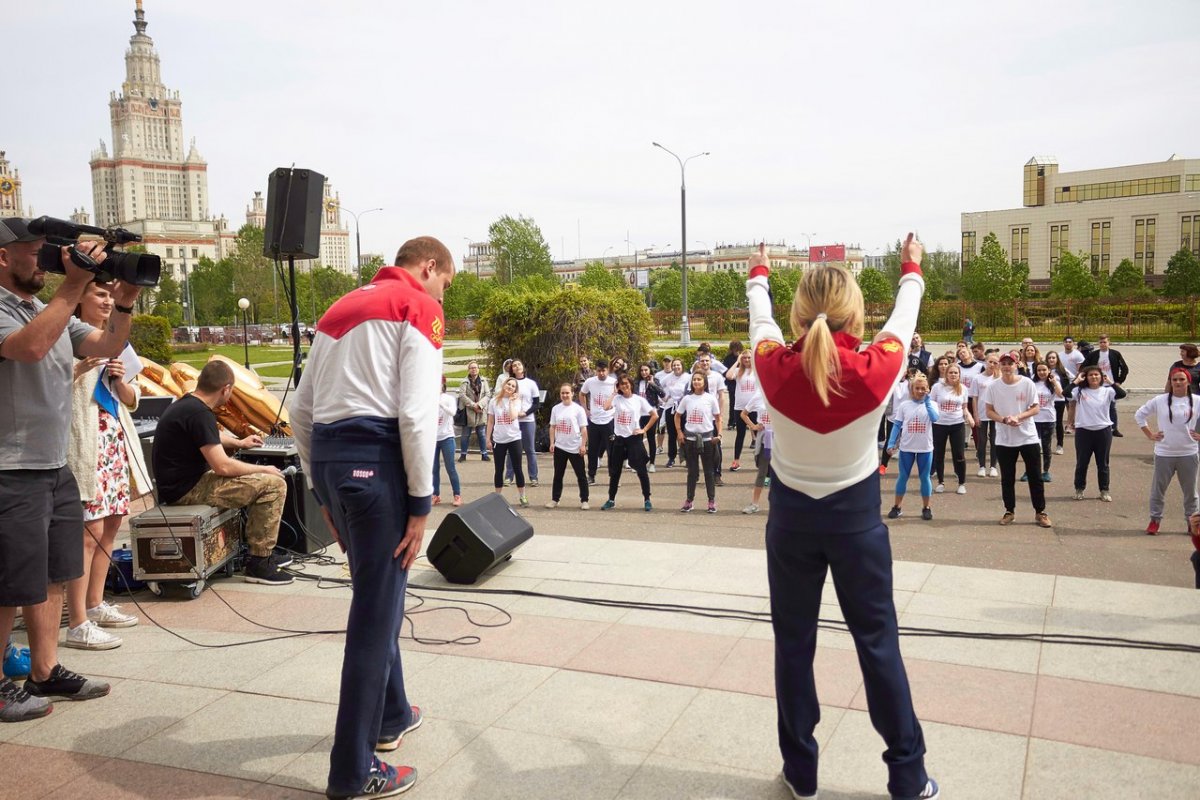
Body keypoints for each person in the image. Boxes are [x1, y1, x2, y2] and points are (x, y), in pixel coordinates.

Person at [746, 235, 939, 800]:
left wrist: (760, 270)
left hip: (790, 524)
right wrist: (911, 265)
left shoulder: (772, 366)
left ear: (798, 315)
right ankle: (907, 775)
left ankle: (800, 772)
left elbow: (760, 315)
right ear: (856, 311)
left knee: (793, 644)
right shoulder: (879, 366)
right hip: (857, 525)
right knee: (878, 644)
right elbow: (907, 313)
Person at [291, 235, 455, 798]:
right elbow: (416, 414)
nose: (444, 296)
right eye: (446, 283)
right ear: (429, 267)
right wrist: (419, 502)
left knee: (377, 599)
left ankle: (390, 717)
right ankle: (352, 771)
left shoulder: (339, 307)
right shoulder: (419, 307)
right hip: (378, 465)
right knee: (374, 618)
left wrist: (320, 489)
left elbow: (300, 410)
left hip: (335, 465)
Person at [0, 218, 138, 721]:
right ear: (3, 258)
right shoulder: (10, 311)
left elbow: (107, 346)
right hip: (11, 468)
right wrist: (73, 285)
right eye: (33, 252)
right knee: (9, 584)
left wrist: (123, 301)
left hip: (54, 463)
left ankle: (46, 670)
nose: (44, 258)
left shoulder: (42, 307)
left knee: (54, 575)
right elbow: (29, 348)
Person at [64, 281, 153, 651]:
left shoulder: (117, 343)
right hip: (84, 445)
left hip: (112, 442)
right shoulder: (65, 341)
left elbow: (132, 398)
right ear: (79, 299)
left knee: (113, 524)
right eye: (99, 295)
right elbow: (50, 389)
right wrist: (80, 369)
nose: (106, 302)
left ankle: (96, 603)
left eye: (108, 296)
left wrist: (120, 379)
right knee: (88, 531)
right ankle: (77, 618)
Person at [153, 360, 291, 585]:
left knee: (261, 479)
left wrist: (240, 442)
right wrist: (264, 468)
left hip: (180, 485)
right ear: (226, 389)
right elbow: (223, 467)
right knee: (273, 484)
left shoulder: (187, 405)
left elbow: (208, 437)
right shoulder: (200, 414)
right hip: (187, 491)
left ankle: (260, 551)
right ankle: (259, 562)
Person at [983, 351, 1052, 528]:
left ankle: (1040, 512)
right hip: (1005, 439)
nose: (1007, 367)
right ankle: (1009, 511)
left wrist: (1018, 417)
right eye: (1003, 363)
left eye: (1010, 363)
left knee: (1035, 476)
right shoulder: (993, 387)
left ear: (1016, 365)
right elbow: (989, 411)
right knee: (1007, 478)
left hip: (1028, 437)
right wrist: (1005, 419)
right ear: (999, 365)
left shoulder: (1027, 383)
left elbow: (1035, 408)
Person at [1134, 369, 1200, 535]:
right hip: (1165, 452)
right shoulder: (1160, 400)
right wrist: (1150, 434)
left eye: (1181, 379)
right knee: (1158, 489)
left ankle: (1192, 523)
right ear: (1170, 382)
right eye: (1174, 380)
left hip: (1188, 452)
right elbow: (1140, 415)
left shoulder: (1197, 401)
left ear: (1188, 381)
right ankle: (1155, 520)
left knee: (1190, 492)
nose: (1177, 383)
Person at [599, 374, 657, 512]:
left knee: (641, 471)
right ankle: (611, 499)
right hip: (619, 439)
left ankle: (647, 499)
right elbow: (605, 407)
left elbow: (654, 415)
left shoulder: (639, 400)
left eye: (626, 383)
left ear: (631, 384)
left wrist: (644, 429)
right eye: (621, 384)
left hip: (634, 439)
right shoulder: (617, 399)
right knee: (615, 472)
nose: (624, 386)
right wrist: (614, 392)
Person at [886, 373, 939, 520]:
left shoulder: (933, 404)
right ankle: (897, 507)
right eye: (917, 388)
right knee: (903, 476)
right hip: (907, 447)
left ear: (928, 389)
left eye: (923, 388)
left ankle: (926, 507)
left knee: (925, 477)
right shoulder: (904, 406)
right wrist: (891, 443)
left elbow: (935, 418)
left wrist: (927, 402)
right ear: (912, 389)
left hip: (925, 448)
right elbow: (897, 425)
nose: (920, 391)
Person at [1071, 364, 1127, 502]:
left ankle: (1104, 490)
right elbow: (1066, 393)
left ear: (1101, 377)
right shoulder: (1079, 391)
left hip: (1103, 431)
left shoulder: (1107, 391)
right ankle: (1079, 489)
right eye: (1090, 375)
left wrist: (1111, 382)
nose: (1094, 377)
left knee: (1102, 463)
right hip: (1084, 431)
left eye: (1096, 374)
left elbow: (1122, 394)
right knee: (1082, 462)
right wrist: (1076, 380)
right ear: (1086, 377)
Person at [675, 371, 721, 513]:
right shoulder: (687, 399)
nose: (696, 382)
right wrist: (679, 432)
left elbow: (718, 418)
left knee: (709, 472)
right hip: (690, 439)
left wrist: (719, 435)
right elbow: (677, 416)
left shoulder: (711, 398)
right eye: (694, 379)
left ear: (704, 382)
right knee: (692, 472)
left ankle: (711, 501)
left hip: (707, 440)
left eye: (699, 379)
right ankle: (689, 501)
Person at [930, 363, 973, 495]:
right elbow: (931, 404)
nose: (953, 375)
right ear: (946, 374)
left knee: (959, 454)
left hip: (957, 424)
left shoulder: (963, 389)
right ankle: (941, 482)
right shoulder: (937, 387)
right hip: (939, 424)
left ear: (959, 375)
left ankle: (961, 483)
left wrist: (969, 417)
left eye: (956, 373)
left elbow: (964, 407)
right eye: (951, 373)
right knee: (938, 453)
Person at [545, 384, 589, 509]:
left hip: (575, 447)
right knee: (558, 474)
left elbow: (583, 429)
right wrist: (552, 442)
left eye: (567, 393)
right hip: (560, 446)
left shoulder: (578, 409)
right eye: (562, 393)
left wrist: (583, 445)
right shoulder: (556, 409)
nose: (564, 395)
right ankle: (555, 499)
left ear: (572, 394)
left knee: (581, 475)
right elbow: (552, 427)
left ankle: (584, 500)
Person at [488, 377, 528, 507]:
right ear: (504, 384)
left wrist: (511, 401)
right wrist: (488, 438)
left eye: (513, 386)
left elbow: (513, 416)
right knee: (498, 469)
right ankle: (497, 497)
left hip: (514, 438)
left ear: (515, 390)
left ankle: (522, 496)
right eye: (508, 384)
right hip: (499, 439)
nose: (510, 387)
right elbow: (490, 421)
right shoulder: (494, 401)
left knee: (518, 468)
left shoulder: (516, 401)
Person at [1081, 334, 1129, 436]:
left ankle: (1114, 428)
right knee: (1096, 405)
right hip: (1097, 385)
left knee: (1112, 406)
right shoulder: (1093, 355)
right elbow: (1083, 367)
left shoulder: (1115, 354)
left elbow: (1124, 368)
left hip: (1110, 384)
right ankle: (1096, 426)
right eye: (1101, 342)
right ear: (1098, 343)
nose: (1103, 344)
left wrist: (1119, 381)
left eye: (1105, 342)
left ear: (1109, 343)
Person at [580, 359, 617, 484]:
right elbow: (582, 394)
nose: (601, 373)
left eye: (604, 371)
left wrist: (615, 408)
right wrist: (585, 410)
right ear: (596, 370)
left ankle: (613, 476)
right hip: (594, 420)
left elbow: (620, 397)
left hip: (609, 420)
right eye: (599, 371)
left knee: (611, 450)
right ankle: (591, 475)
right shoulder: (590, 382)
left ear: (608, 370)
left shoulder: (613, 382)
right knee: (592, 450)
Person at [504, 359, 541, 486]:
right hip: (513, 421)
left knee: (530, 449)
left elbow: (536, 404)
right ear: (511, 369)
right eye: (514, 365)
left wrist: (525, 413)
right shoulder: (510, 384)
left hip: (527, 421)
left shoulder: (531, 384)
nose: (517, 367)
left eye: (519, 364)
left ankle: (533, 477)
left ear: (523, 367)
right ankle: (509, 476)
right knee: (512, 449)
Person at [1028, 362, 1062, 483]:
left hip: (1048, 419)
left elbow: (1061, 394)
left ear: (1048, 371)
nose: (1042, 372)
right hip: (1033, 419)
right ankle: (1030, 471)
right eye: (1039, 370)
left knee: (1046, 447)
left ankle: (1046, 471)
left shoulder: (1052, 383)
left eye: (1044, 370)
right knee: (1032, 447)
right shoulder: (1032, 383)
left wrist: (1054, 382)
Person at [740, 391, 773, 514]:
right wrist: (753, 426)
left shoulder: (785, 394)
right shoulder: (759, 395)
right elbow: (743, 414)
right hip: (764, 439)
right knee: (762, 471)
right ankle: (754, 503)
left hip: (781, 440)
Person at [432, 376, 462, 507]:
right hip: (433, 438)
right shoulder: (427, 398)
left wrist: (440, 404)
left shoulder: (449, 398)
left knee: (450, 468)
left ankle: (457, 495)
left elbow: (453, 412)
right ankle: (435, 495)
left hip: (447, 437)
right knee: (434, 469)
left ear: (443, 384)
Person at [970, 353, 1001, 477]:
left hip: (996, 414)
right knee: (982, 441)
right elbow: (975, 398)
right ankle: (982, 466)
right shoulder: (977, 378)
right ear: (985, 362)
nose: (992, 365)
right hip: (982, 413)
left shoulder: (999, 378)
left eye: (995, 363)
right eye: (990, 362)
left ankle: (993, 466)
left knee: (995, 440)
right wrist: (975, 415)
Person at [728, 349, 759, 471]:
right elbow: (729, 376)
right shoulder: (738, 371)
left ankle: (764, 464)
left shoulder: (757, 371)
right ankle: (736, 461)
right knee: (740, 434)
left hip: (755, 407)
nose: (746, 360)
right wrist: (737, 361)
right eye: (744, 358)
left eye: (749, 357)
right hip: (740, 407)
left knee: (759, 435)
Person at [457, 361, 491, 462]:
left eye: (475, 367)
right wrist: (473, 405)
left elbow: (488, 395)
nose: (474, 369)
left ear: (478, 369)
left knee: (481, 433)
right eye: (471, 368)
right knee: (465, 434)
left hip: (481, 411)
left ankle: (484, 454)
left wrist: (480, 405)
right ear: (468, 370)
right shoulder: (464, 382)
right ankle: (463, 454)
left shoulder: (484, 381)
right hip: (468, 412)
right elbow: (462, 395)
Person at [634, 362, 664, 472]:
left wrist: (652, 384)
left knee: (651, 438)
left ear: (650, 371)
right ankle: (640, 462)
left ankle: (652, 463)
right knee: (638, 439)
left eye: (646, 370)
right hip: (638, 414)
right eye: (642, 370)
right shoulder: (636, 382)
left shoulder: (654, 381)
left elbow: (662, 394)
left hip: (651, 413)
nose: (644, 372)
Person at [659, 358, 689, 468]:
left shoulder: (687, 377)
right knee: (672, 434)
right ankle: (671, 458)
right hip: (670, 407)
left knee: (684, 434)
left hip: (684, 407)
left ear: (682, 366)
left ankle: (686, 457)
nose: (676, 367)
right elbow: (659, 386)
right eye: (674, 365)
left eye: (678, 365)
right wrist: (663, 398)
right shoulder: (668, 377)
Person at [1043, 351, 1070, 454]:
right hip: (1047, 400)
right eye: (1049, 358)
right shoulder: (1043, 370)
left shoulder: (1062, 371)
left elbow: (1070, 381)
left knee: (1058, 422)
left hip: (1059, 400)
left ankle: (1060, 445)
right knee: (1045, 423)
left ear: (1057, 359)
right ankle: (1044, 444)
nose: (1051, 359)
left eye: (1053, 358)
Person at [722, 340, 743, 428]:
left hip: (742, 384)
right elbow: (724, 372)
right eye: (734, 350)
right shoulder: (728, 358)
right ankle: (731, 422)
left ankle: (742, 421)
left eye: (738, 350)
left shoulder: (744, 357)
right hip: (732, 384)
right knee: (733, 403)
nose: (736, 352)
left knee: (743, 403)